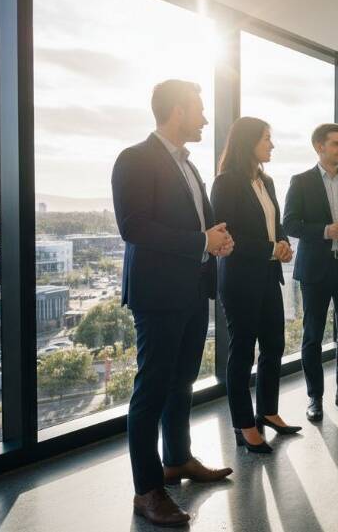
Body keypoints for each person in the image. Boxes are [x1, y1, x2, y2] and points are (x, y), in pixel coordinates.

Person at [111, 80, 233, 527]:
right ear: (177, 110)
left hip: (192, 289)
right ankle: (147, 490)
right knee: (151, 391)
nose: (204, 118)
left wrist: (216, 238)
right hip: (158, 294)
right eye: (199, 110)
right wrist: (201, 239)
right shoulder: (135, 159)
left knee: (181, 382)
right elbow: (135, 227)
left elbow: (196, 222)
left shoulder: (189, 165)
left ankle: (177, 459)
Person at [211, 117, 302, 455]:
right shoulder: (225, 183)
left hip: (267, 276)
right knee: (243, 352)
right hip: (239, 279)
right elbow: (226, 234)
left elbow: (274, 224)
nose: (271, 145)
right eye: (266, 138)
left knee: (274, 345)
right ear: (248, 141)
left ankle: (267, 411)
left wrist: (283, 243)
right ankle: (244, 424)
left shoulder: (267, 182)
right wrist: (269, 249)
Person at [282, 123, 338, 422]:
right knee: (312, 337)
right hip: (316, 270)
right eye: (336, 144)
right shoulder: (301, 181)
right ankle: (314, 398)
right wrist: (324, 230)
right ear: (319, 147)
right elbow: (290, 224)